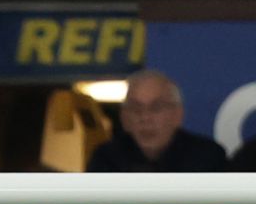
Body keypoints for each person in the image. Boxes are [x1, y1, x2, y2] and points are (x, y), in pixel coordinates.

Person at [85, 70, 228, 175]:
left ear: (177, 114)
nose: (145, 117)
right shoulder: (106, 158)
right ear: (124, 117)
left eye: (156, 107)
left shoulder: (207, 156)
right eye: (136, 108)